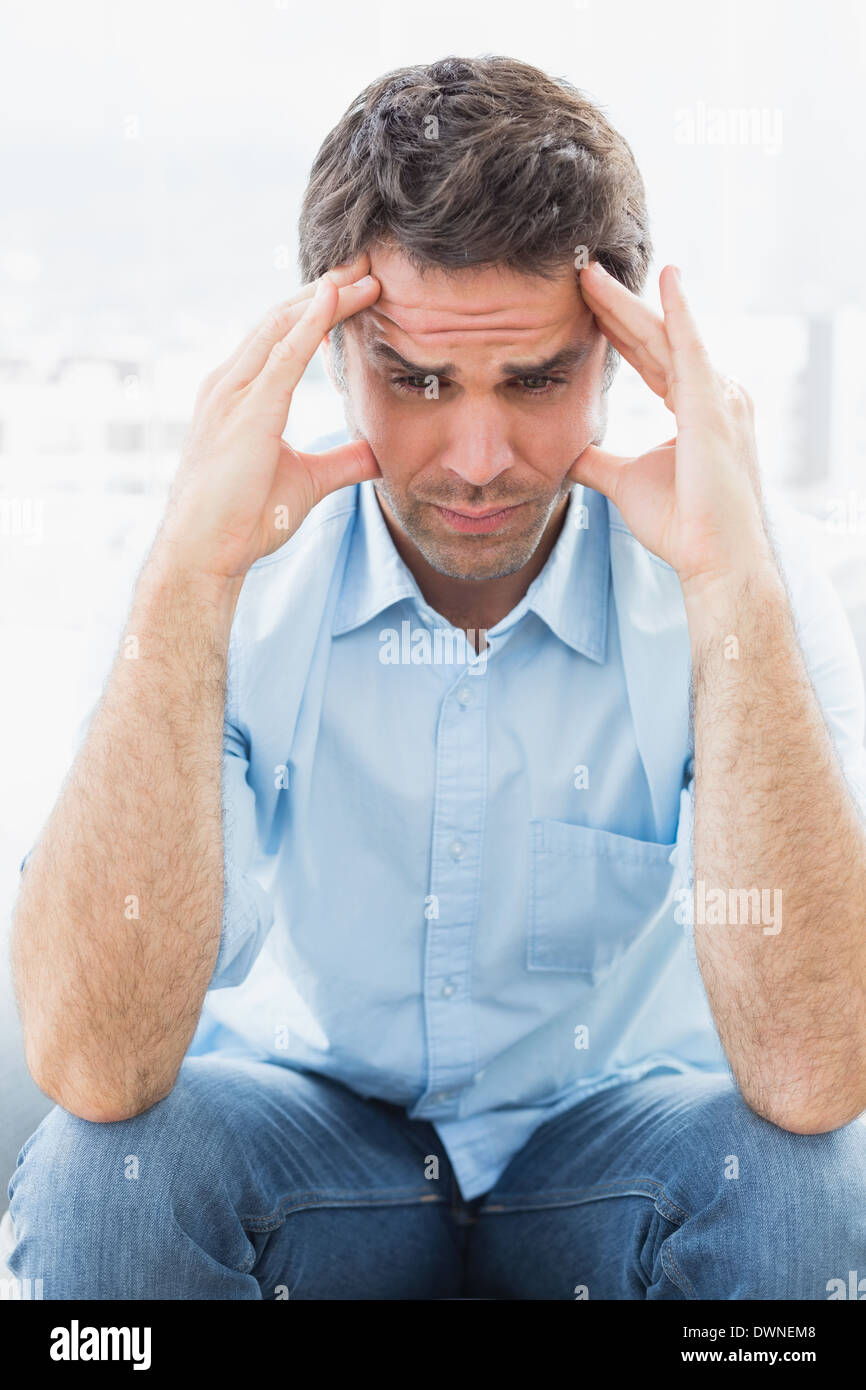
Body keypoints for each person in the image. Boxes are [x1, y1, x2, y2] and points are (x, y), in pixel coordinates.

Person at [8, 55, 866, 1300]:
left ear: (618, 356)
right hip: (320, 1143)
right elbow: (91, 1063)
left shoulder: (741, 565)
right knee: (109, 1184)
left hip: (611, 1147)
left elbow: (813, 1075)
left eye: (535, 379)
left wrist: (733, 592)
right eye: (415, 379)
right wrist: (185, 589)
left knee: (797, 1191)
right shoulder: (215, 565)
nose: (476, 459)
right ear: (330, 350)